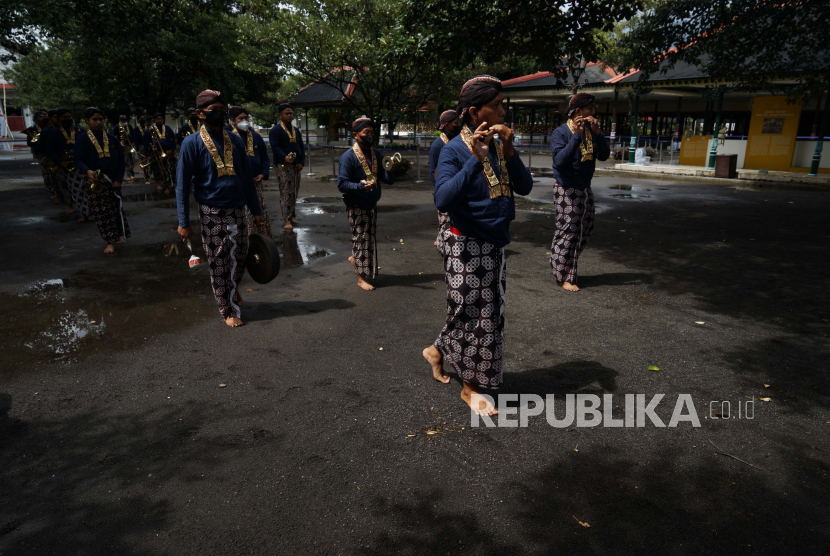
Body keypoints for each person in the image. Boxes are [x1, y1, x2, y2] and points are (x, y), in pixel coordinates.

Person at [423, 75, 533, 416]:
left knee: (484, 314)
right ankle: (471, 389)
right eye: (496, 105)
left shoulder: (500, 145)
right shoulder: (453, 149)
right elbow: (442, 198)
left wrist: (511, 151)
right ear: (474, 112)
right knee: (475, 318)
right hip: (466, 246)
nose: (503, 110)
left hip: (495, 244)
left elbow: (526, 186)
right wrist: (475, 158)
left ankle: (438, 351)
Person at [176, 90, 263, 328]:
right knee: (219, 262)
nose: (220, 114)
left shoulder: (234, 140)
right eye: (214, 110)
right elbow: (182, 186)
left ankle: (232, 293)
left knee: (240, 257)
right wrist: (183, 222)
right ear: (199, 114)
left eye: (221, 109)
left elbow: (246, 179)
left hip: (238, 209)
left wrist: (256, 210)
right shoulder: (191, 143)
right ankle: (227, 309)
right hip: (212, 212)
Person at [549, 92, 610, 292]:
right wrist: (576, 135)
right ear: (578, 112)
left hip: (585, 187)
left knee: (586, 228)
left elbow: (603, 155)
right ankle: (564, 275)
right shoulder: (561, 132)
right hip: (566, 188)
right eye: (590, 109)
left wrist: (598, 133)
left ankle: (562, 262)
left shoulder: (592, 131)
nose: (594, 112)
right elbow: (559, 160)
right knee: (568, 231)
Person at [337, 118, 395, 291]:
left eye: (372, 132)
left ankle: (357, 261)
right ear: (355, 135)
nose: (370, 136)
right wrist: (361, 186)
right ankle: (361, 278)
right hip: (356, 203)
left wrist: (390, 171)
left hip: (371, 202)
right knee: (361, 238)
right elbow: (342, 184)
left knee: (368, 238)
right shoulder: (348, 157)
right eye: (366, 133)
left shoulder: (376, 154)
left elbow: (387, 179)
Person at [75, 107, 130, 254]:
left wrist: (119, 179)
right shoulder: (82, 139)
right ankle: (108, 242)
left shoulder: (112, 138)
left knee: (115, 208)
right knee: (101, 212)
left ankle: (119, 234)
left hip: (112, 179)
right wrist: (88, 171)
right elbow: (78, 160)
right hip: (95, 180)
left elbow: (121, 160)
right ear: (87, 120)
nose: (98, 122)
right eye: (94, 119)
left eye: (101, 119)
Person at [226, 105, 272, 236]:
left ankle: (261, 240)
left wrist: (263, 173)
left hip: (255, 181)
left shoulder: (256, 137)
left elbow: (265, 157)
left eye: (246, 118)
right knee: (240, 213)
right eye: (241, 118)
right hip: (236, 183)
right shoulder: (226, 135)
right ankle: (242, 240)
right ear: (233, 120)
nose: (244, 121)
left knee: (258, 210)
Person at [43, 107, 90, 221]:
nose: (68, 119)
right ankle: (80, 210)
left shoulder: (79, 130)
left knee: (85, 189)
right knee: (71, 189)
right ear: (59, 119)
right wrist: (60, 162)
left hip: (81, 164)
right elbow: (50, 151)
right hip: (64, 166)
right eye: (65, 117)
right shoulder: (54, 133)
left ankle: (87, 212)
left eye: (69, 117)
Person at [428, 109, 462, 252]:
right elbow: (433, 172)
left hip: (458, 188)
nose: (458, 125)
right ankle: (445, 249)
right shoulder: (438, 145)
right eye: (456, 123)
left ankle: (442, 243)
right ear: (447, 125)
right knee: (445, 222)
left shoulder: (457, 140)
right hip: (445, 190)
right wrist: (442, 190)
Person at [269, 103, 305, 230]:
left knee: (294, 191)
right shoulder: (275, 130)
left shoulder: (296, 130)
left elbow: (301, 147)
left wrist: (301, 162)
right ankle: (286, 220)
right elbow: (275, 147)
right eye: (287, 113)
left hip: (296, 165)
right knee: (286, 192)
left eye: (291, 113)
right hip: (283, 165)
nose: (290, 116)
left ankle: (291, 216)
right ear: (280, 115)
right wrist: (284, 157)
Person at [144, 113, 177, 192]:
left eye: (161, 118)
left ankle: (169, 184)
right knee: (156, 169)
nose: (160, 120)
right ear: (154, 120)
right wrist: (147, 153)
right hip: (156, 152)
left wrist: (172, 149)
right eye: (158, 119)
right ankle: (159, 183)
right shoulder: (150, 130)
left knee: (169, 168)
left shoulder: (167, 128)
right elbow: (146, 143)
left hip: (168, 151)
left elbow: (175, 138)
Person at [112, 115, 136, 183]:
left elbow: (132, 134)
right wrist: (119, 142)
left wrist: (133, 142)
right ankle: (128, 175)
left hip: (130, 144)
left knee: (133, 160)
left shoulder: (128, 125)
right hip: (123, 145)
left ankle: (132, 172)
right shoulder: (117, 126)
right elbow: (113, 135)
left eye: (125, 120)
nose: (124, 122)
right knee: (126, 160)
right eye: (123, 121)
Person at [132, 114, 152, 185]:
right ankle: (147, 178)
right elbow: (135, 140)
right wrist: (137, 149)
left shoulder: (148, 128)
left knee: (150, 162)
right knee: (144, 163)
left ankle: (150, 177)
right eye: (141, 118)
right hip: (141, 147)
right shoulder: (136, 129)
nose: (142, 119)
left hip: (149, 146)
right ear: (138, 120)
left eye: (143, 118)